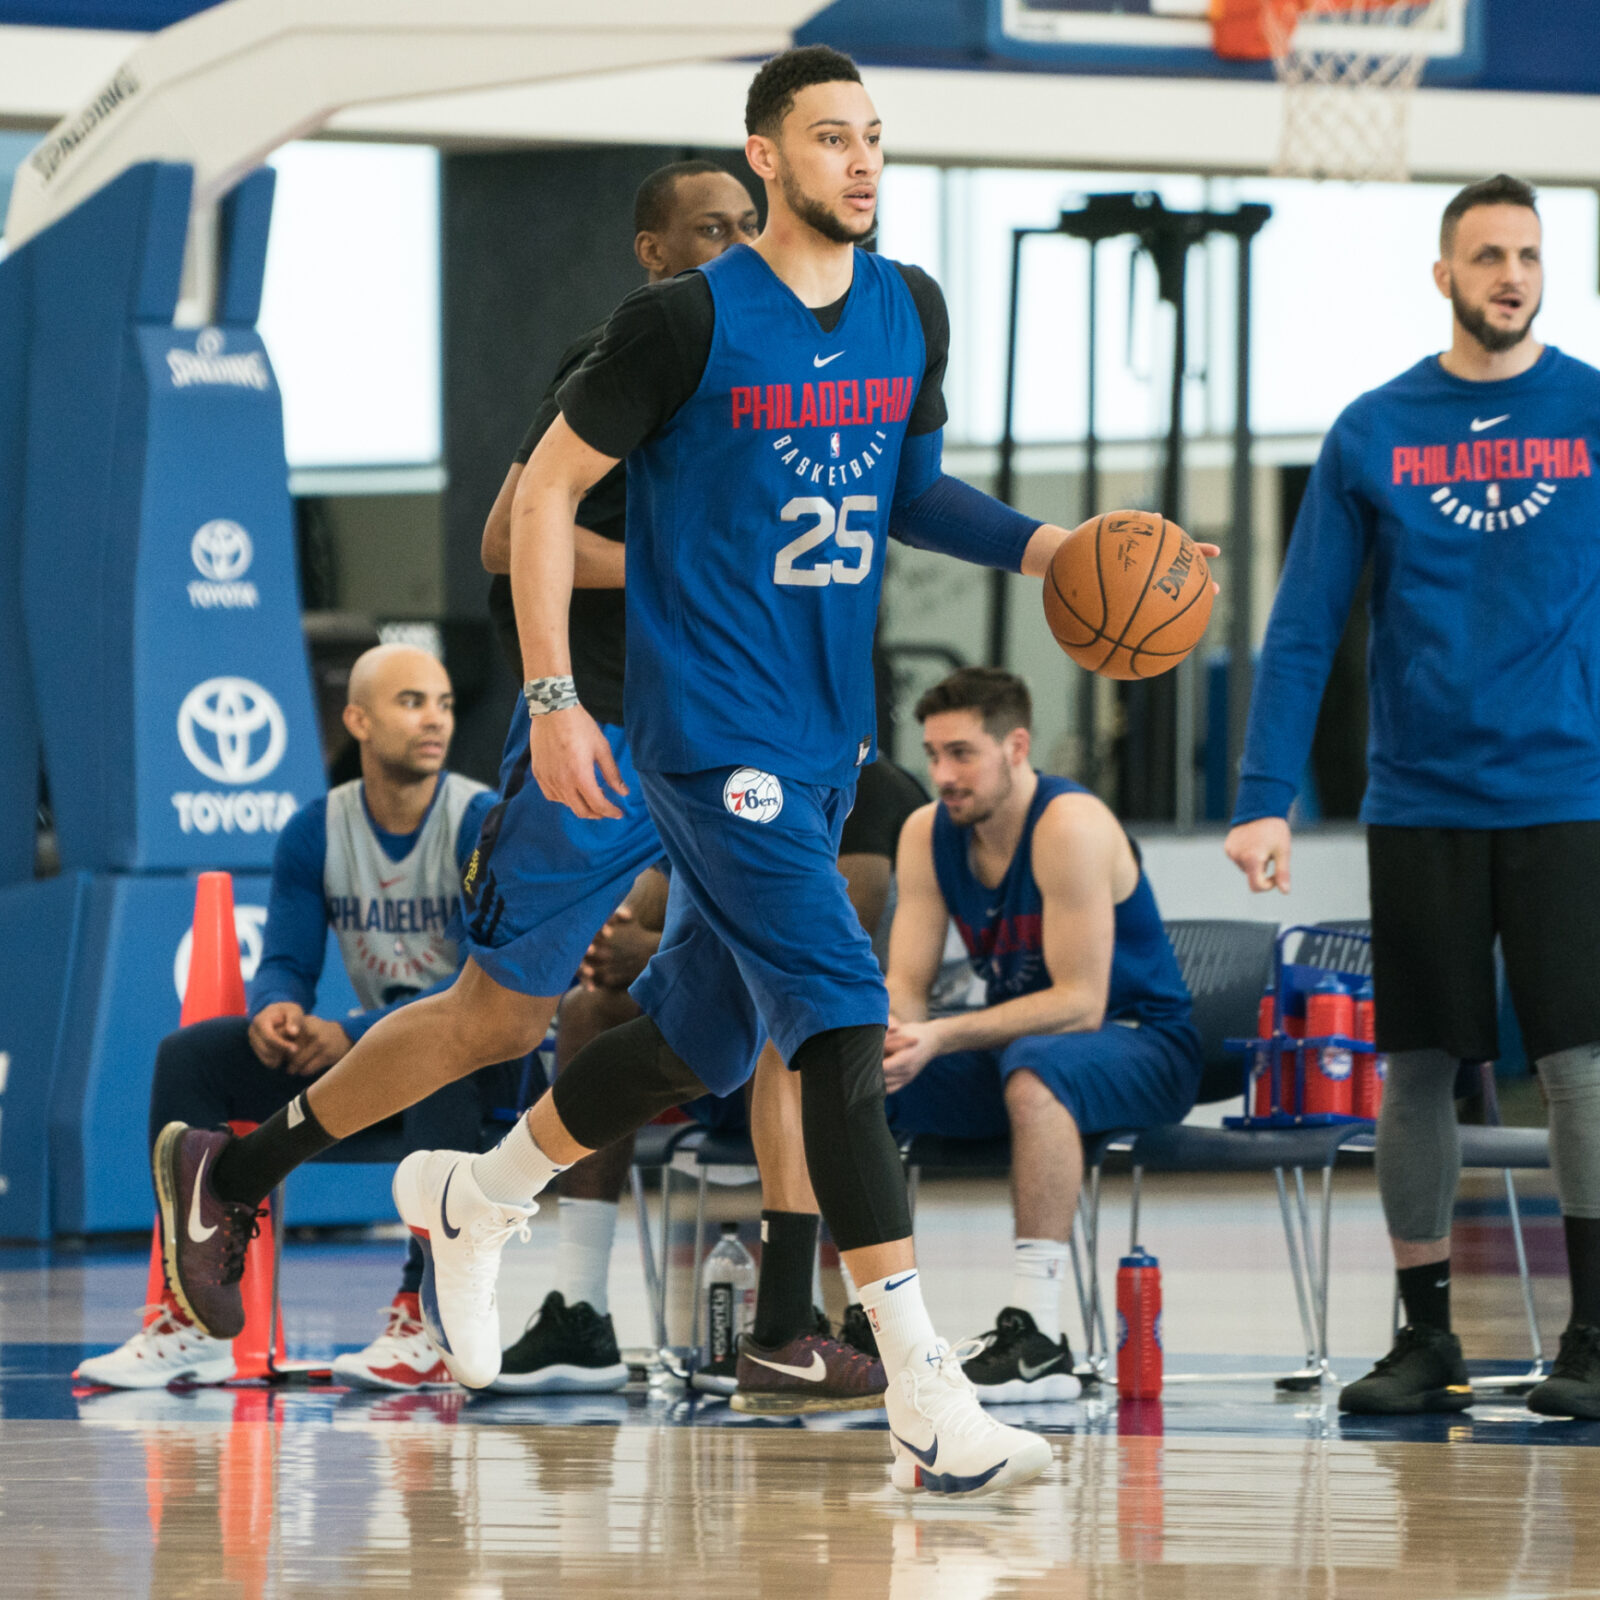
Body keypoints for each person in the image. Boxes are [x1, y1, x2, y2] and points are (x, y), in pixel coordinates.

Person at [156, 47, 1218, 1496]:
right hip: (682, 735)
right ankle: (920, 1386)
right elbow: (536, 500)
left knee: (667, 1038)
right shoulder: (677, 327)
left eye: (874, 138)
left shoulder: (912, 309)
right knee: (836, 1010)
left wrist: (1053, 551)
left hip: (816, 736)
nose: (861, 160)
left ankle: (391, 1189)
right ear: (766, 158)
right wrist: (544, 696)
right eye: (830, 137)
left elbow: (907, 493)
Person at [471, 159, 885, 1408]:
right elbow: (508, 535)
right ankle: (545, 1271)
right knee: (504, 1017)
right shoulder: (642, 346)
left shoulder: (792, 365)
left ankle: (783, 1316)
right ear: (651, 251)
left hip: (779, 732)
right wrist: (673, 570)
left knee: (754, 1025)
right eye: (709, 228)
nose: (737, 244)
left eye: (745, 228)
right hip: (624, 736)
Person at [1225, 174, 1600, 1421]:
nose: (1510, 274)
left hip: (1566, 790)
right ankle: (1425, 1336)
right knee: (1417, 1062)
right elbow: (1301, 627)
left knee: (1581, 1061)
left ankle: (1593, 1338)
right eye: (1487, 254)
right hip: (1422, 795)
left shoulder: (1591, 411)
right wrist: (1263, 793)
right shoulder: (1371, 428)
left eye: (1529, 255)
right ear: (1442, 274)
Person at [83, 645, 497, 1390]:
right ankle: (196, 1316)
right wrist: (277, 1009)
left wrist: (353, 1035)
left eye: (443, 702)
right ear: (357, 720)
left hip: (480, 1074)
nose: (434, 718)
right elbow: (287, 959)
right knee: (194, 1056)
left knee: (445, 1064)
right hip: (373, 1069)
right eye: (411, 702)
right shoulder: (317, 829)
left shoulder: (479, 821)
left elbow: (480, 983)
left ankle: (425, 1312)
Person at [882, 667, 1201, 1404]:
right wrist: (897, 1035)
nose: (942, 775)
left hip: (1141, 1041)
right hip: (1023, 1051)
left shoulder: (1071, 824)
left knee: (1034, 1065)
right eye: (932, 755)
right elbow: (907, 979)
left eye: (961, 754)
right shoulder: (927, 832)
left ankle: (1039, 1334)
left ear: (1016, 746)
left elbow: (1080, 1005)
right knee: (858, 1073)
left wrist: (942, 1033)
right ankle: (873, 1318)